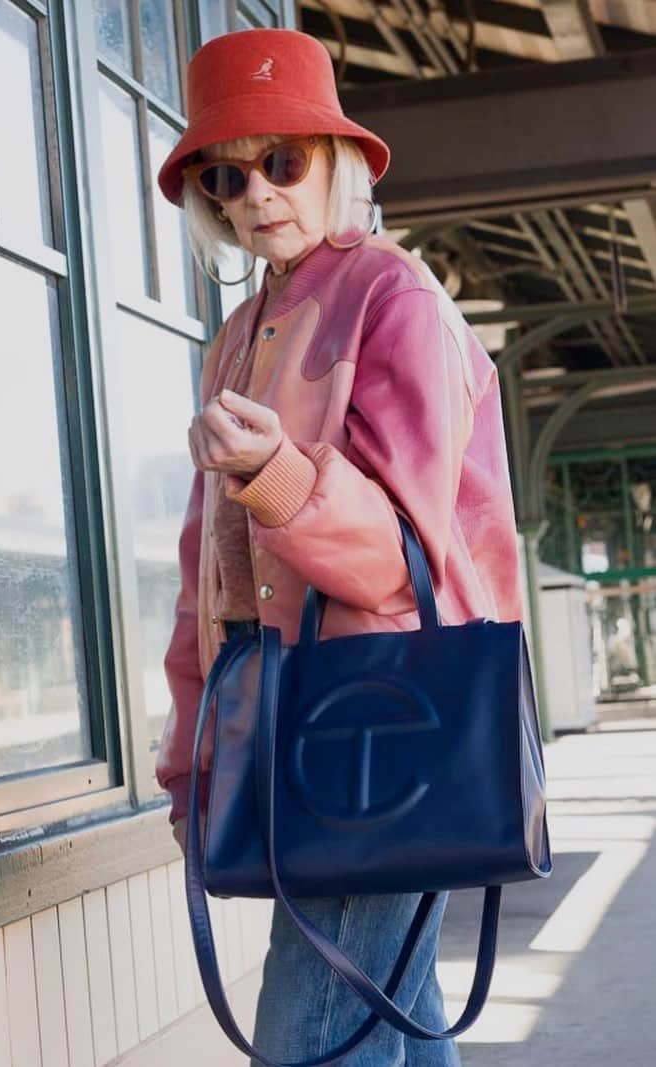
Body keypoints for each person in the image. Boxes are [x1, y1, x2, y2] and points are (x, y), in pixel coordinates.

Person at [154, 27, 523, 1067]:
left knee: (311, 1028)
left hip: (381, 726)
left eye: (283, 160)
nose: (255, 192)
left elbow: (401, 557)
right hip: (303, 740)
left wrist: (275, 471)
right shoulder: (237, 335)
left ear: (338, 162)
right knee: (387, 1012)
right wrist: (192, 759)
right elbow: (205, 577)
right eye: (227, 173)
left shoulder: (391, 298)